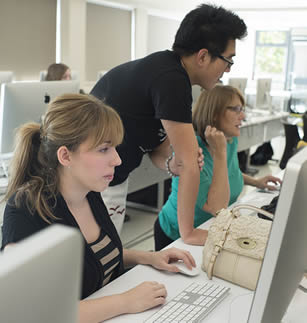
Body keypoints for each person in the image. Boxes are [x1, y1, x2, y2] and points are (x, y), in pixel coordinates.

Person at [1, 94, 196, 322]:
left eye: (114, 148)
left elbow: (96, 256)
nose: (117, 160)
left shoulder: (89, 192)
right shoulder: (26, 211)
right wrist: (126, 301)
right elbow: (36, 311)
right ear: (65, 155)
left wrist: (150, 257)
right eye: (104, 149)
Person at [91, 3, 248, 241]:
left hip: (109, 178)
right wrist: (189, 232)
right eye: (228, 60)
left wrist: (171, 163)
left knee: (106, 255)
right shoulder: (171, 79)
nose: (227, 70)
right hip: (89, 183)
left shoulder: (168, 72)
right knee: (98, 261)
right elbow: (188, 162)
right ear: (203, 56)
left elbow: (159, 149)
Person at [154, 85, 282, 250]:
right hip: (176, 236)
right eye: (236, 109)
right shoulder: (194, 150)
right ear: (214, 114)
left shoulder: (228, 139)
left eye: (242, 109)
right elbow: (217, 207)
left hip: (210, 227)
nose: (242, 116)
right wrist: (220, 152)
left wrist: (257, 182)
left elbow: (229, 173)